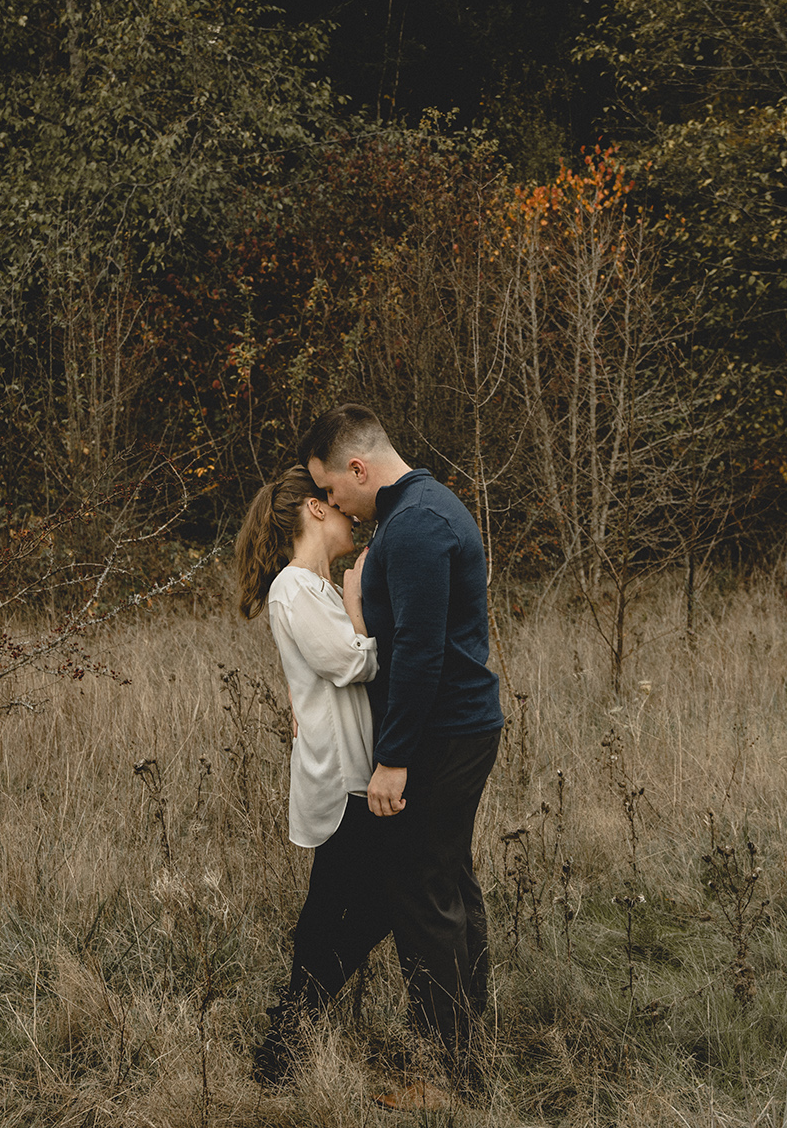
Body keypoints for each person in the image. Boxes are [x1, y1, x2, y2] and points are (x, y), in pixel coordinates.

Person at [299, 404, 504, 1104]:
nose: (332, 504)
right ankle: (471, 1051)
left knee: (421, 892)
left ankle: (451, 1076)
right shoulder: (421, 509)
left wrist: (393, 759)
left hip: (441, 734)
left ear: (358, 468)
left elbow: (419, 652)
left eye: (330, 489)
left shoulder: (416, 524)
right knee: (446, 883)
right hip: (455, 728)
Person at [233, 465, 390, 1086]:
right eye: (337, 503)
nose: (352, 511)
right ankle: (289, 1032)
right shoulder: (295, 588)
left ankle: (287, 1034)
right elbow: (353, 662)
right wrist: (359, 610)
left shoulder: (314, 590)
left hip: (353, 768)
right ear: (315, 511)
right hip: (340, 775)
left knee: (334, 906)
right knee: (362, 903)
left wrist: (349, 605)